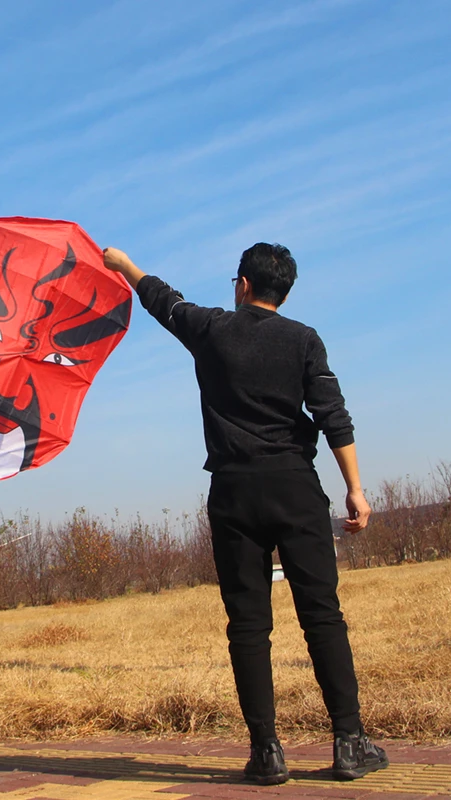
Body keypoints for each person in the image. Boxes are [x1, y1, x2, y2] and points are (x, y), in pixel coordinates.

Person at [102, 243, 389, 785]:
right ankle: (349, 743)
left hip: (233, 493)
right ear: (282, 290)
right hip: (295, 489)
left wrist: (125, 266)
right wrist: (355, 489)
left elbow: (164, 301)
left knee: (249, 627)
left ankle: (266, 752)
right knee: (323, 616)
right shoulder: (304, 339)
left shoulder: (212, 329)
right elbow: (333, 415)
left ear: (242, 286)